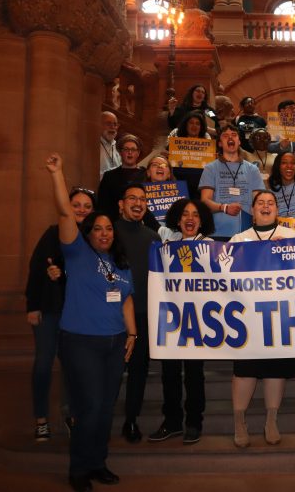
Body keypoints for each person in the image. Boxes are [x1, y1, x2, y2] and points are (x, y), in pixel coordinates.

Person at [46, 153, 135, 492]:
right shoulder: (76, 252)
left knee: (105, 406)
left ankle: (98, 461)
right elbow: (65, 211)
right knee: (90, 405)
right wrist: (57, 174)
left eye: (108, 228)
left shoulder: (121, 264)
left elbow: (126, 298)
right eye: (97, 228)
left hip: (114, 344)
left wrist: (133, 334)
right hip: (80, 341)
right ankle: (79, 468)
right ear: (89, 232)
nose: (103, 233)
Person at [228, 190, 295, 447]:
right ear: (253, 209)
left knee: (276, 370)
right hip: (247, 317)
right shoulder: (239, 238)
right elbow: (226, 273)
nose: (266, 206)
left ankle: (271, 420)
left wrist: (290, 253)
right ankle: (240, 422)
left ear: (277, 210)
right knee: (244, 371)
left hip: (279, 316)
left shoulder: (293, 237)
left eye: (270, 203)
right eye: (261, 203)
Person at [25, 187, 96, 441]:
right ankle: (41, 419)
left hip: (77, 313)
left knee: (74, 367)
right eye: (76, 205)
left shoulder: (94, 239)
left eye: (87, 206)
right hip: (49, 310)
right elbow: (36, 268)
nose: (81, 210)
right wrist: (32, 306)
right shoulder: (52, 234)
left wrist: (63, 275)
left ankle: (71, 415)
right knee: (44, 364)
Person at [149, 198, 215, 445]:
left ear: (202, 221)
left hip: (199, 320)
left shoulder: (211, 247)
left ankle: (194, 422)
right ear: (177, 220)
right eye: (185, 214)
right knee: (169, 374)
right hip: (171, 320)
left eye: (195, 215)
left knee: (194, 374)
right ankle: (172, 422)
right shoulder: (165, 246)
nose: (190, 219)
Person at [115, 184, 161, 444]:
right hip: (110, 316)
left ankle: (131, 420)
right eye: (132, 197)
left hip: (143, 314)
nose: (138, 202)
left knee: (138, 371)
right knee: (108, 371)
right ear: (121, 204)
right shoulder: (107, 231)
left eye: (142, 199)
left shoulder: (153, 237)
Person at [198, 123, 265, 240]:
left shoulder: (252, 169)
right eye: (225, 136)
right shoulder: (210, 168)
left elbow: (259, 200)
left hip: (246, 230)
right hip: (218, 231)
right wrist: (224, 208)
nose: (230, 138)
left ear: (239, 142)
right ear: (219, 143)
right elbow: (204, 200)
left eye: (234, 135)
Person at [98, 134, 146, 220]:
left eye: (133, 149)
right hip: (116, 223)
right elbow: (102, 206)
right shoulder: (109, 176)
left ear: (138, 153)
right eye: (126, 149)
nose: (130, 152)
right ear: (120, 152)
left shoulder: (146, 174)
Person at [170, 110, 210, 200]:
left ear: (201, 127)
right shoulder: (175, 144)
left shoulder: (209, 147)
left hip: (200, 190)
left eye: (197, 124)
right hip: (178, 187)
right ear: (186, 125)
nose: (194, 126)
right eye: (191, 123)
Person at [99, 112, 121, 179]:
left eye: (115, 124)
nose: (113, 127)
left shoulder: (118, 146)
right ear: (99, 124)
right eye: (108, 123)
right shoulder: (92, 145)